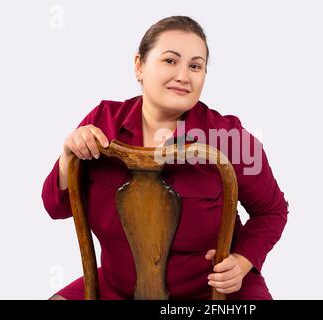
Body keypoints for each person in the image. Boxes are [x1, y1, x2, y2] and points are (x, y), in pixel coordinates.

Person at [42, 15, 289, 300]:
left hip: (212, 293)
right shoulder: (103, 122)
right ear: (139, 66)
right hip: (116, 289)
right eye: (170, 61)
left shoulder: (229, 138)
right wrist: (67, 157)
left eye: (195, 66)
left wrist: (243, 261)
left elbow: (271, 211)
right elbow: (54, 207)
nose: (184, 76)